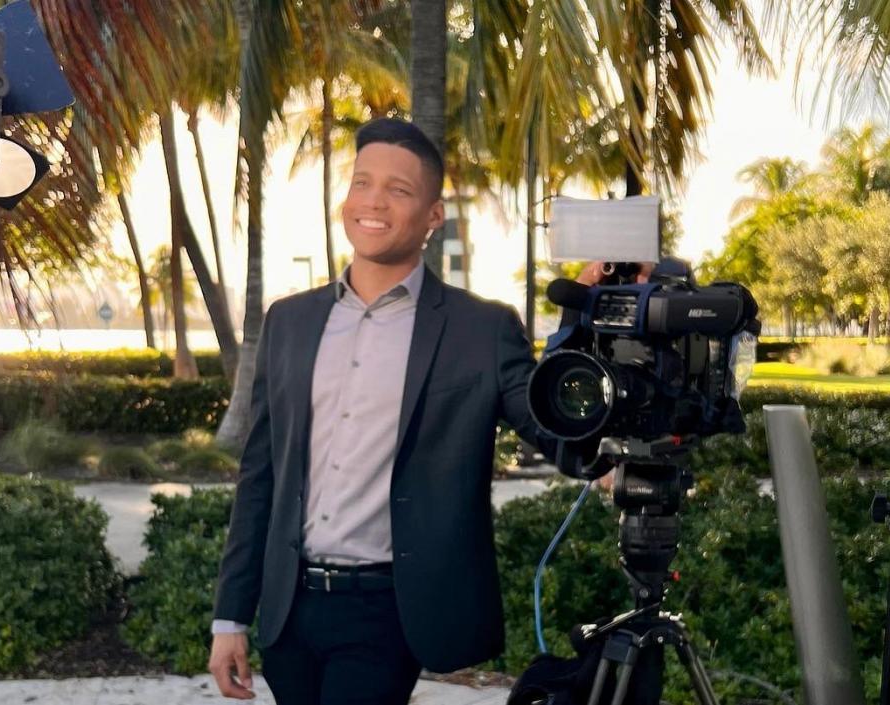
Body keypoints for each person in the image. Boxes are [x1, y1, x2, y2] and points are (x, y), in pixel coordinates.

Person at [207, 117, 615, 704]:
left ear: (433, 216)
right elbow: (261, 474)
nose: (373, 202)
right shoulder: (289, 321)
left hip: (386, 611)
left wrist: (585, 325)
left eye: (398, 190)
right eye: (362, 182)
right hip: (288, 610)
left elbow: (558, 433)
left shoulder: (480, 329)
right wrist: (230, 617)